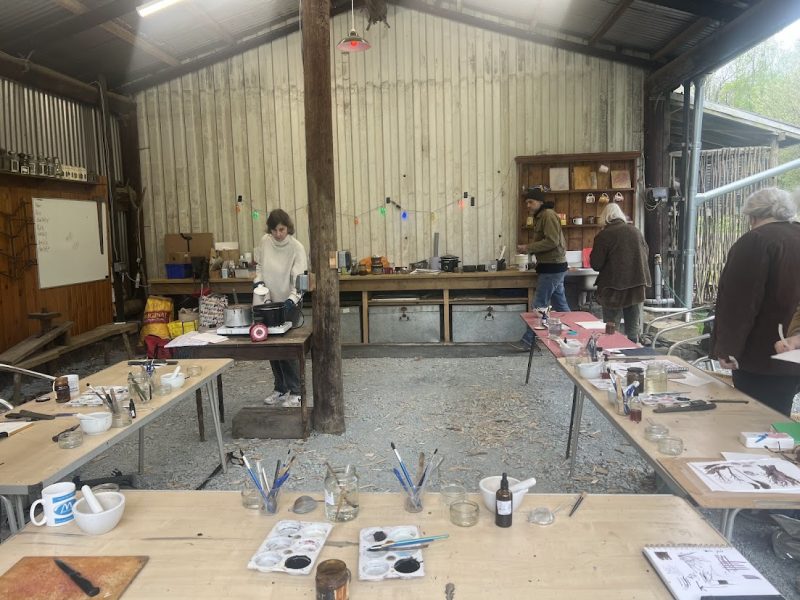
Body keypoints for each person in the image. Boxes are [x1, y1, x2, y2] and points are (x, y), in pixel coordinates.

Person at [711, 188, 800, 416]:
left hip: (762, 355)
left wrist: (727, 350)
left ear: (752, 216)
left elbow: (739, 304)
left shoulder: (756, 241)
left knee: (756, 422)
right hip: (793, 350)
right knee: (780, 416)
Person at [254, 209, 308, 407]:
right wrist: (258, 283)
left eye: (282, 229)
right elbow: (259, 267)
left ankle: (296, 391)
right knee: (271, 347)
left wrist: (292, 299)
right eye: (275, 230)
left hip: (289, 302)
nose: (278, 234)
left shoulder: (296, 247)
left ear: (288, 228)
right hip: (268, 301)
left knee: (287, 348)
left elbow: (301, 279)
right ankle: (280, 388)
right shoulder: (264, 242)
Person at [513, 187, 570, 351]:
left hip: (552, 268)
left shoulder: (548, 215)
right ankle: (574, 335)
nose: (528, 205)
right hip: (551, 266)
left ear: (540, 202)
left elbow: (552, 241)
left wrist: (528, 247)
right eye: (526, 203)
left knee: (539, 305)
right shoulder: (541, 216)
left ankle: (527, 342)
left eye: (530, 202)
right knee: (561, 305)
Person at [589, 203, 651, 343]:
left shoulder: (604, 235)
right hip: (637, 283)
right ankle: (633, 356)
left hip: (613, 287)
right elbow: (646, 253)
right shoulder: (635, 231)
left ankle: (612, 354)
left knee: (612, 328)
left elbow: (596, 264)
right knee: (633, 328)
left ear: (605, 218)